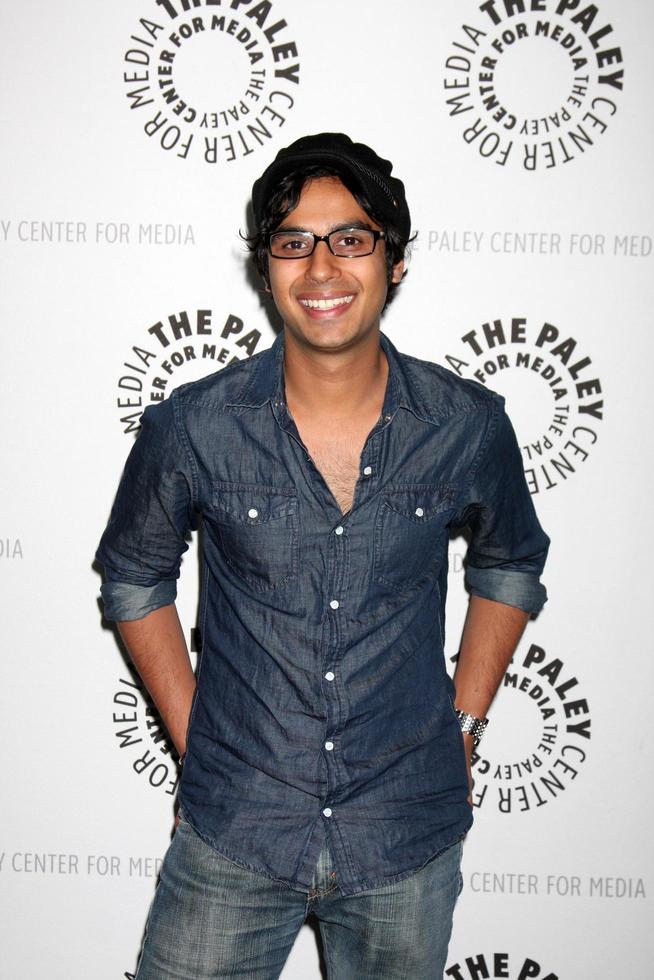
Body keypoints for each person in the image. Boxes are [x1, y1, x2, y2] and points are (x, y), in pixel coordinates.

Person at [97, 133, 549, 980]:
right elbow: (132, 578)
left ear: (395, 261)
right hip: (234, 831)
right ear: (265, 266)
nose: (321, 269)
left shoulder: (468, 425)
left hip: (405, 832)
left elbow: (509, 566)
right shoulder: (193, 425)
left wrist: (466, 726)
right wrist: (200, 742)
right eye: (293, 242)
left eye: (351, 239)